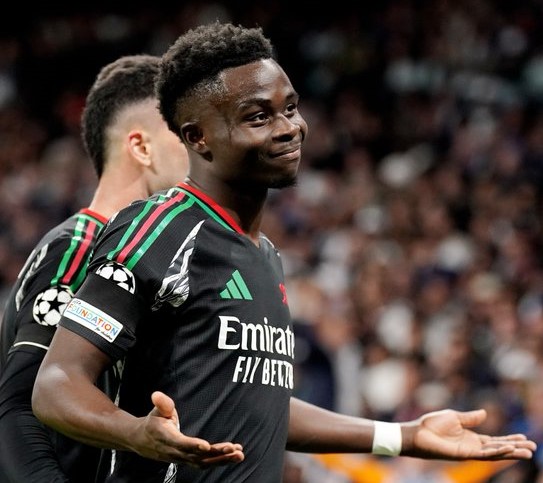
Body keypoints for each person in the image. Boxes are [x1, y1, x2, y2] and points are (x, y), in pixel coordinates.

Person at [32, 22, 537, 483]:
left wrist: (402, 436)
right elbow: (56, 383)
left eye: (290, 108)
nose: (289, 128)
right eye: (258, 116)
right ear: (197, 137)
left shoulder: (265, 254)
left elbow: (261, 405)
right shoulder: (159, 229)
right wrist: (134, 433)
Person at [0, 54, 193, 483]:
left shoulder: (143, 258)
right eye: (183, 133)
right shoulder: (80, 250)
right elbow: (17, 408)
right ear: (142, 147)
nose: (199, 148)